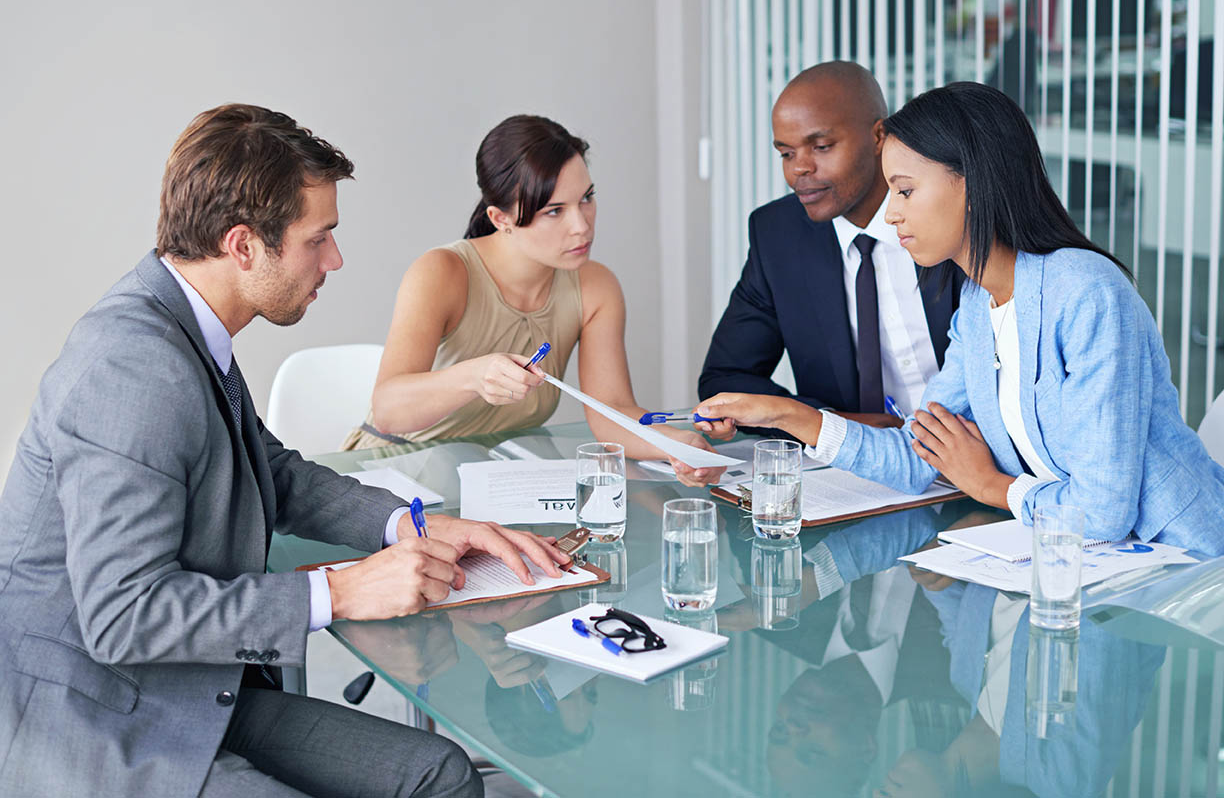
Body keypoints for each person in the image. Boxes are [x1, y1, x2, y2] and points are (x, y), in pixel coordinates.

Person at [0, 103, 570, 797]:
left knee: (439, 773)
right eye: (318, 237)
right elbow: (125, 616)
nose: (335, 258)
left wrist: (416, 523)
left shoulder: (186, 329)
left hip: (185, 687)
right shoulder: (132, 369)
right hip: (94, 721)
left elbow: (276, 472)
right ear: (243, 246)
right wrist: (342, 588)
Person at [697, 81, 1224, 556]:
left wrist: (990, 484)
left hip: (1182, 568)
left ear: (971, 183)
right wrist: (788, 417)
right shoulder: (976, 307)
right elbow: (916, 456)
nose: (893, 212)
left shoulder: (1085, 291)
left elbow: (1104, 514)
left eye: (904, 191)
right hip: (1077, 565)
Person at [342, 115, 721, 485]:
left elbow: (612, 414)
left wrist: (679, 444)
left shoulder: (595, 286)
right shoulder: (442, 273)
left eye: (587, 198)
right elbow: (389, 411)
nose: (582, 225)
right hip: (399, 476)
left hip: (496, 479)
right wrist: (475, 376)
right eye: (554, 211)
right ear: (500, 218)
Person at [696, 61, 963, 438]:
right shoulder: (779, 235)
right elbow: (725, 378)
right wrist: (830, 424)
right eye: (786, 153)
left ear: (878, 137)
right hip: (855, 474)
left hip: (978, 463)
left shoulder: (946, 212)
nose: (799, 169)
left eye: (821, 147)